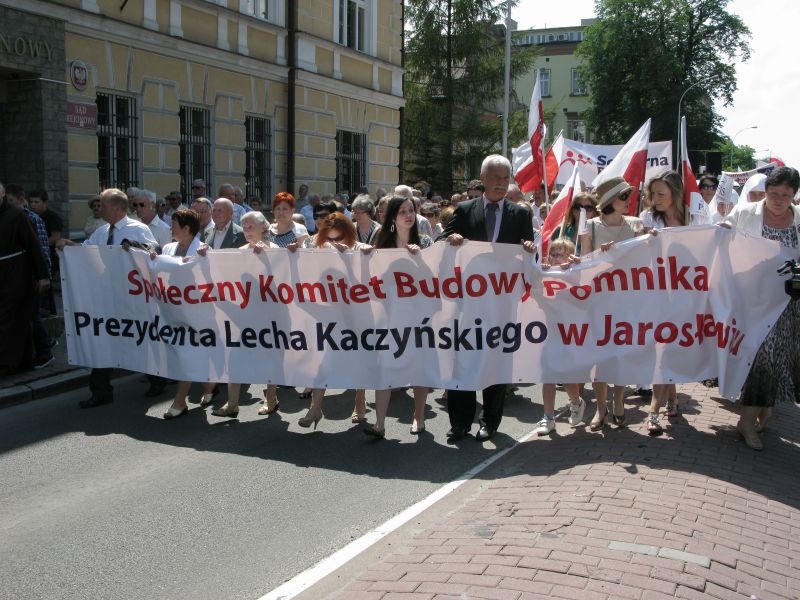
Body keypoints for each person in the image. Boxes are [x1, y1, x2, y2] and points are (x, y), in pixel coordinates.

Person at [438, 154, 536, 442]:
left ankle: (489, 422)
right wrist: (451, 240)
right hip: (467, 303)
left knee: (496, 362)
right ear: (483, 179)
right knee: (462, 361)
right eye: (496, 178)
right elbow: (441, 244)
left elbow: (527, 255)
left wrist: (529, 250)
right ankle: (460, 423)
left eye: (506, 178)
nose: (502, 184)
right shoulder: (465, 210)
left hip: (500, 305)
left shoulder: (520, 215)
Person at [57, 188, 158, 408]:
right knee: (103, 338)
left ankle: (157, 379)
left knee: (140, 337)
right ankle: (101, 391)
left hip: (131, 298)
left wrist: (135, 247)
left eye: (103, 205)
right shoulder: (102, 232)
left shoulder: (138, 229)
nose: (99, 209)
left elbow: (153, 252)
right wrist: (70, 247)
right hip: (106, 297)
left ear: (117, 208)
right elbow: (86, 251)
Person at [722, 166, 800, 450]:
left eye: (785, 195)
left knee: (779, 358)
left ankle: (763, 405)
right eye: (774, 193)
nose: (779, 200)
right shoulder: (746, 213)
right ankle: (747, 420)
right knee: (763, 357)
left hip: (788, 304)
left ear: (794, 195)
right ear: (765, 191)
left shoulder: (798, 219)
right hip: (752, 302)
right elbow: (721, 236)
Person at [361, 196, 435, 438]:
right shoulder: (381, 243)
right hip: (388, 317)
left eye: (411, 210)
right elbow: (368, 278)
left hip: (419, 317)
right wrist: (364, 255)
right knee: (384, 368)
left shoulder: (425, 242)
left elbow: (434, 280)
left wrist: (420, 259)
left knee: (419, 367)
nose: (408, 215)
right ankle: (379, 424)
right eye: (402, 211)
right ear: (393, 217)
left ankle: (418, 416)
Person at [578, 176, 645, 430]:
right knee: (599, 356)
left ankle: (618, 399)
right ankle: (600, 407)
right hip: (599, 301)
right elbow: (584, 264)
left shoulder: (636, 225)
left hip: (626, 301)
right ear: (609, 201)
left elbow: (645, 261)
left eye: (629, 195)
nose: (629, 200)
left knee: (621, 354)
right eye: (624, 196)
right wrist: (600, 256)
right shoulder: (590, 226)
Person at [292, 213, 367, 429]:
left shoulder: (360, 248)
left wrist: (352, 258)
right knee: (322, 363)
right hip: (327, 315)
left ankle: (360, 403)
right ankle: (315, 408)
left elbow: (367, 281)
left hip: (355, 315)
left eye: (339, 238)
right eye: (329, 238)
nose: (334, 243)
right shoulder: (318, 249)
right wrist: (293, 255)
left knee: (358, 361)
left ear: (349, 234)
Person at [640, 171, 686, 434]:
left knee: (671, 348)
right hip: (656, 292)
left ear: (675, 194)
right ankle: (656, 409)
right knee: (662, 348)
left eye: (661, 194)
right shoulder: (647, 218)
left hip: (685, 293)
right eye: (652, 193)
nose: (655, 199)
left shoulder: (694, 218)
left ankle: (669, 398)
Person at [154, 209, 209, 419]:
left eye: (174, 224)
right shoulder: (168, 248)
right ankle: (210, 385)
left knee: (187, 354)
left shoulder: (203, 250)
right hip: (171, 309)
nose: (170, 227)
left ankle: (180, 401)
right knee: (183, 354)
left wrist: (204, 259)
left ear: (186, 228)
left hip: (194, 312)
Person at [534, 238, 585, 435]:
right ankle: (548, 417)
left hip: (571, 333)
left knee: (565, 376)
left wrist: (574, 269)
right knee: (548, 375)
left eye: (561, 255)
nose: (556, 258)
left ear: (571, 256)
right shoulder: (544, 273)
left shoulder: (577, 272)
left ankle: (576, 402)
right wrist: (542, 272)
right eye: (553, 254)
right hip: (549, 331)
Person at [0, 181, 50, 375]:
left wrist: (43, 275)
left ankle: (6, 364)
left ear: (2, 194)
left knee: (9, 319)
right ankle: (21, 361)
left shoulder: (17, 215)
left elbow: (33, 245)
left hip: (17, 274)